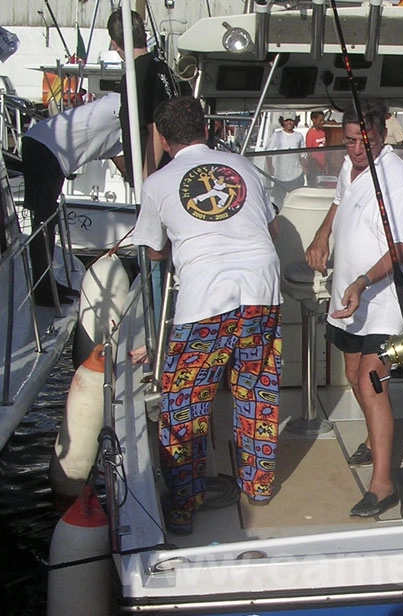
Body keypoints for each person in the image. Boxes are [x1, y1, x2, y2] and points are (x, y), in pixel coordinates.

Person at [130, 97, 282, 535]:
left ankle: (182, 503)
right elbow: (271, 228)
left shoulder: (158, 183)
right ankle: (259, 484)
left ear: (161, 137)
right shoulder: (242, 166)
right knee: (255, 386)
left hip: (204, 302)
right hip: (261, 291)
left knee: (184, 404)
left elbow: (155, 250)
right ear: (207, 128)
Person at [304, 98, 403, 518]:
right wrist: (321, 237)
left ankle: (383, 484)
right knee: (353, 374)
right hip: (347, 294)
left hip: (383, 297)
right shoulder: (349, 168)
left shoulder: (397, 177)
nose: (354, 149)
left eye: (362, 141)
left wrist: (363, 281)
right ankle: (375, 442)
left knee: (372, 382)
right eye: (348, 140)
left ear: (379, 134)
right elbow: (339, 203)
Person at [21, 92, 124, 306]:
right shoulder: (120, 103)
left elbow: (127, 167)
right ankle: (42, 290)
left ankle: (47, 284)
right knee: (43, 223)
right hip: (45, 149)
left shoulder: (118, 131)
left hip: (52, 154)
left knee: (49, 221)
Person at [107, 8, 188, 184]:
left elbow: (156, 127)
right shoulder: (163, 67)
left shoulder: (135, 76)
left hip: (156, 174)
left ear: (115, 43)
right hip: (174, 168)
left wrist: (145, 179)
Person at [265, 114, 305, 206]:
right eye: (286, 120)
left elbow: (303, 154)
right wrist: (271, 169)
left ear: (295, 121)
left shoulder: (299, 136)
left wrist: (304, 168)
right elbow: (268, 153)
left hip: (296, 174)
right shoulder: (276, 135)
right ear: (282, 121)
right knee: (278, 199)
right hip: (280, 174)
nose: (289, 122)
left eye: (291, 120)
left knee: (296, 199)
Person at [304, 109, 328, 182]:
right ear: (313, 120)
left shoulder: (323, 132)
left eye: (323, 120)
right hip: (315, 167)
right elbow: (309, 152)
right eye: (320, 120)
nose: (322, 122)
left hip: (323, 165)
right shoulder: (310, 134)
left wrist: (325, 164)